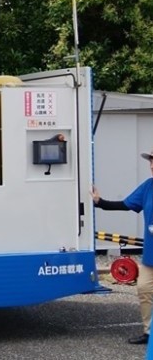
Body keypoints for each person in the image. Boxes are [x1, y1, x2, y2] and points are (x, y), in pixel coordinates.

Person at [92, 148, 153, 345]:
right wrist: (99, 202)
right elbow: (125, 204)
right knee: (144, 289)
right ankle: (149, 332)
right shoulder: (148, 187)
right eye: (150, 161)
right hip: (150, 255)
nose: (151, 165)